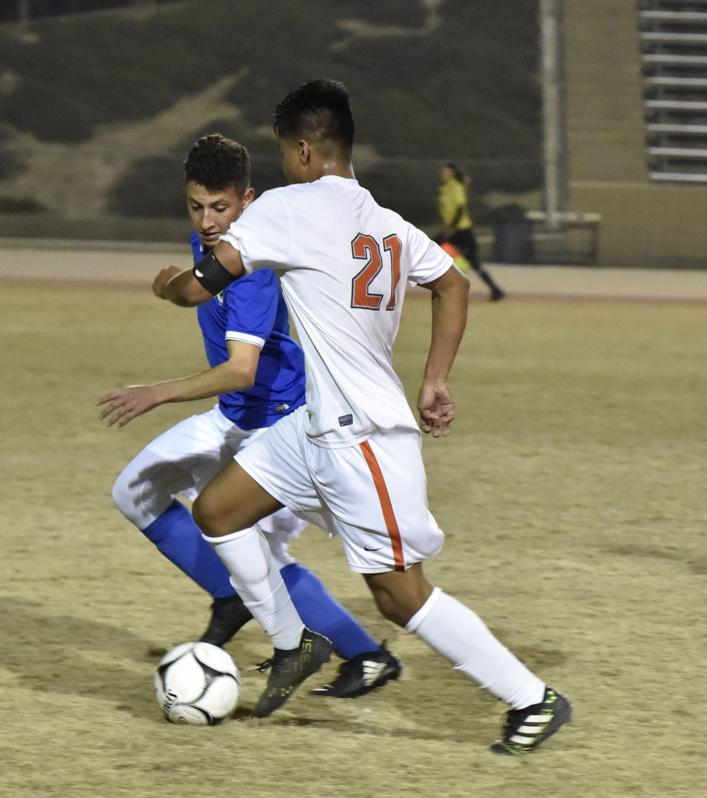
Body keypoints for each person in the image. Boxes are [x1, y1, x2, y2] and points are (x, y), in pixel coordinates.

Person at [155, 80, 569, 754]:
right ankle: (294, 644)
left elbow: (199, 287)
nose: (284, 164)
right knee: (219, 511)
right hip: (316, 425)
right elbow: (453, 282)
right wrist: (435, 378)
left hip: (363, 438)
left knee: (400, 597)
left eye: (284, 152)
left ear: (303, 150)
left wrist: (167, 283)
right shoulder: (387, 223)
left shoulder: (287, 207)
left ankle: (533, 698)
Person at [97, 133, 401, 700]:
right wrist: (171, 286)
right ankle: (231, 595)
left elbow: (241, 369)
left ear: (248, 199)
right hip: (236, 417)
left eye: (220, 207)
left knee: (261, 554)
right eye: (196, 206)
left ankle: (367, 656)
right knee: (135, 491)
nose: (208, 221)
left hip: (281, 423)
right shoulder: (213, 241)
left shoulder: (255, 265)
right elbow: (196, 287)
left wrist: (156, 393)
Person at [438, 161, 505, 301]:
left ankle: (496, 290)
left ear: (451, 172)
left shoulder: (455, 186)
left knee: (473, 261)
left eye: (446, 170)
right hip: (454, 230)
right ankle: (495, 290)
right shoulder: (446, 187)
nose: (442, 173)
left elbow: (460, 207)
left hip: (461, 230)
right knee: (432, 249)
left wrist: (452, 228)